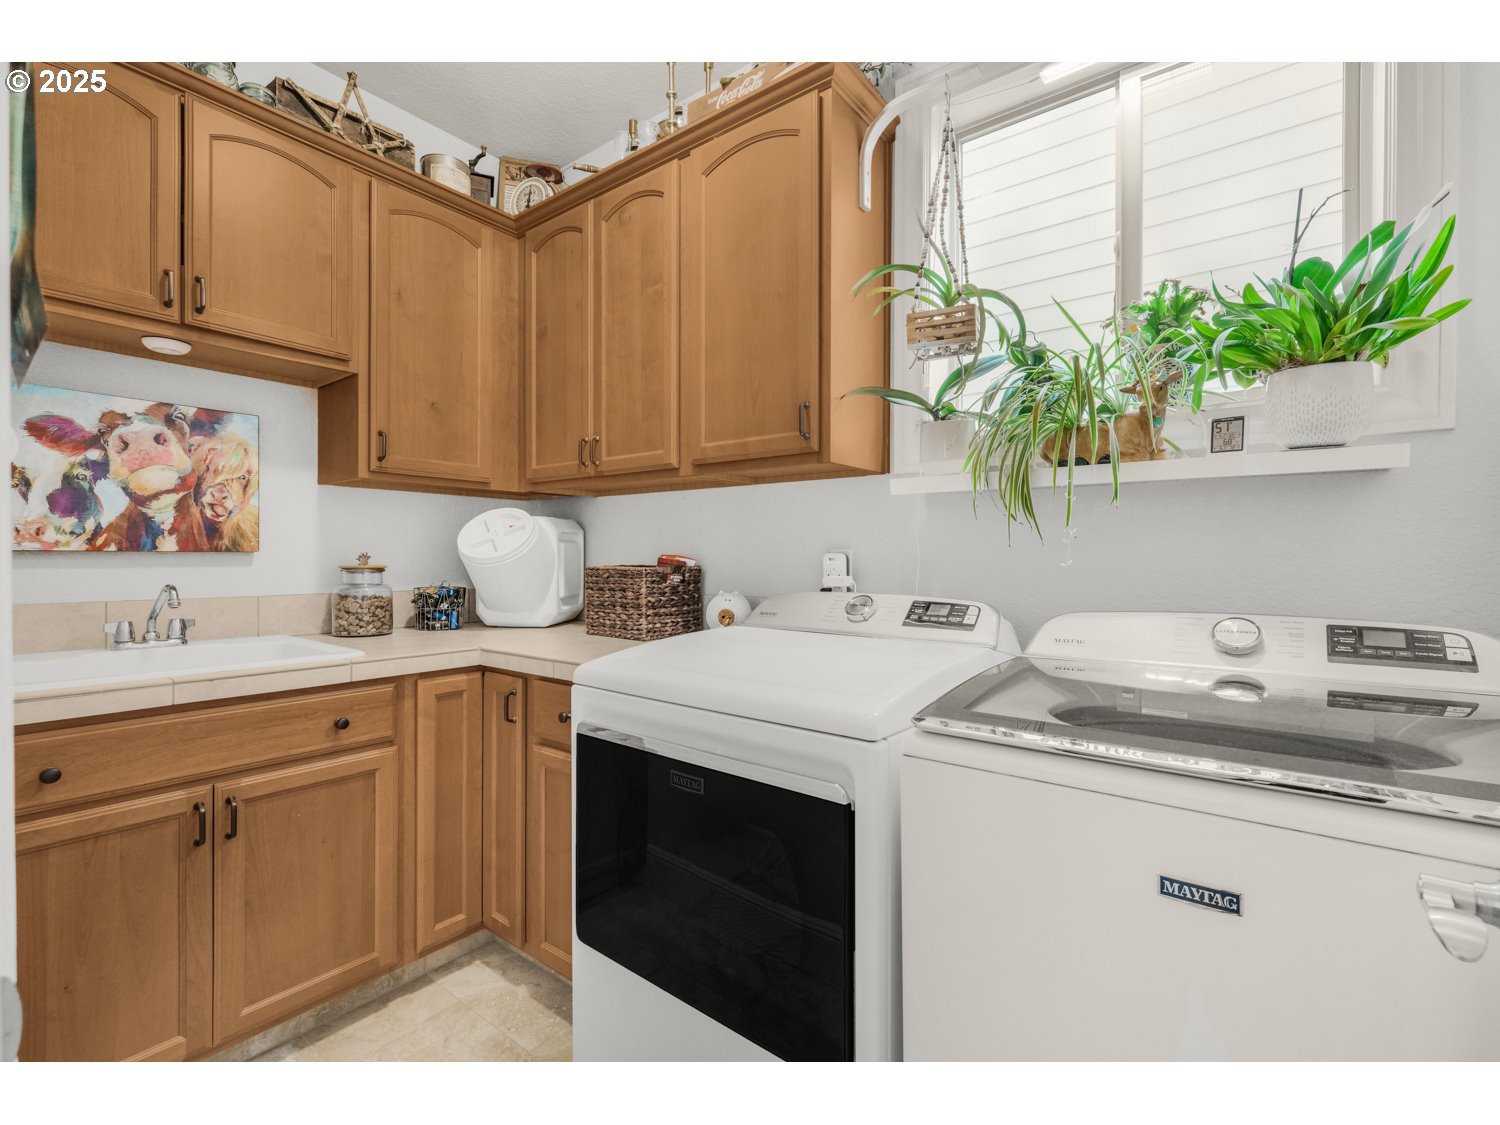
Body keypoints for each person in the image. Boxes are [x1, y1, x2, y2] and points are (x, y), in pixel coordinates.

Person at [191, 432, 259, 551]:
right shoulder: (177, 522)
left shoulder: (256, 526)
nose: (222, 492)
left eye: (241, 478)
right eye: (213, 470)